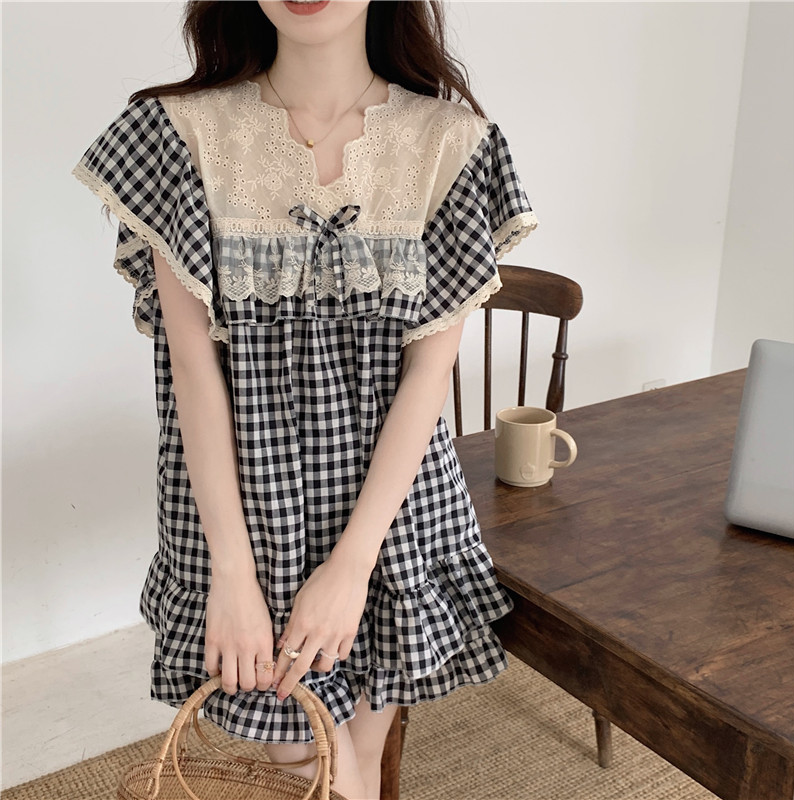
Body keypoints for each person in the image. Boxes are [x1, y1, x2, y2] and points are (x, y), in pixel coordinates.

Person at [71, 1, 539, 798]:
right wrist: (232, 574)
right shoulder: (179, 135)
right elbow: (192, 374)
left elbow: (427, 379)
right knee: (313, 765)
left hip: (389, 521)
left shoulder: (451, 145)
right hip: (245, 526)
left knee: (353, 762)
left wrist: (353, 567)